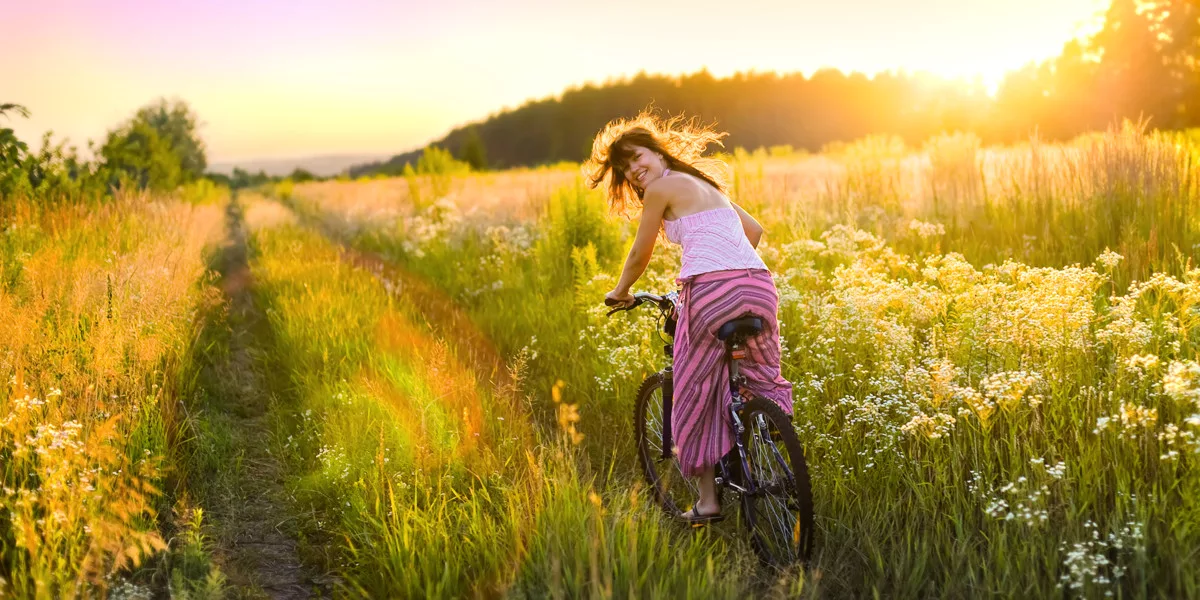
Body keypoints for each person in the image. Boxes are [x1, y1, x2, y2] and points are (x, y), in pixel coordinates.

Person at [585, 111, 793, 523]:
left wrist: (620, 291)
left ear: (656, 151)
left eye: (636, 156)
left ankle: (709, 501)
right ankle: (765, 436)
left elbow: (640, 252)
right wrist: (727, 262)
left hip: (712, 293)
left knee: (694, 389)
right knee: (758, 376)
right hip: (758, 286)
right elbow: (754, 231)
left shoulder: (661, 188)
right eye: (626, 168)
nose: (634, 170)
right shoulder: (708, 186)